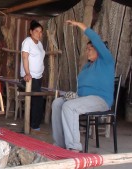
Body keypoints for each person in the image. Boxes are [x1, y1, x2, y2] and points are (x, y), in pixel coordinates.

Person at [51, 20, 115, 152]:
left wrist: (80, 26)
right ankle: (60, 144)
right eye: (86, 49)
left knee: (70, 107)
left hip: (100, 99)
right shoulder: (86, 67)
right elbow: (82, 88)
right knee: (57, 103)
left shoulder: (106, 61)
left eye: (90, 49)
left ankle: (74, 147)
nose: (87, 51)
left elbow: (96, 39)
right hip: (83, 98)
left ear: (99, 50)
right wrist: (73, 95)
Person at [20, 20, 45, 132]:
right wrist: (27, 73)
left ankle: (32, 125)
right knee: (37, 100)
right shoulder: (27, 42)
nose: (39, 34)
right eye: (36, 31)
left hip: (38, 77)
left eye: (41, 32)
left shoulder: (39, 44)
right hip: (29, 77)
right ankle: (34, 126)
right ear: (31, 31)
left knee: (37, 100)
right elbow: (25, 57)